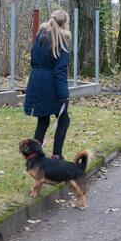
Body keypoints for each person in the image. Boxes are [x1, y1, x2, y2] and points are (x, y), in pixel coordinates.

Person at [24, 9, 72, 160]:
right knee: (63, 120)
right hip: (50, 85)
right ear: (64, 24)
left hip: (36, 81)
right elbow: (60, 72)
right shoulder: (61, 43)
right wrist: (64, 95)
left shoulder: (39, 38)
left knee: (43, 120)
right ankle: (57, 155)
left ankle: (33, 157)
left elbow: (33, 61)